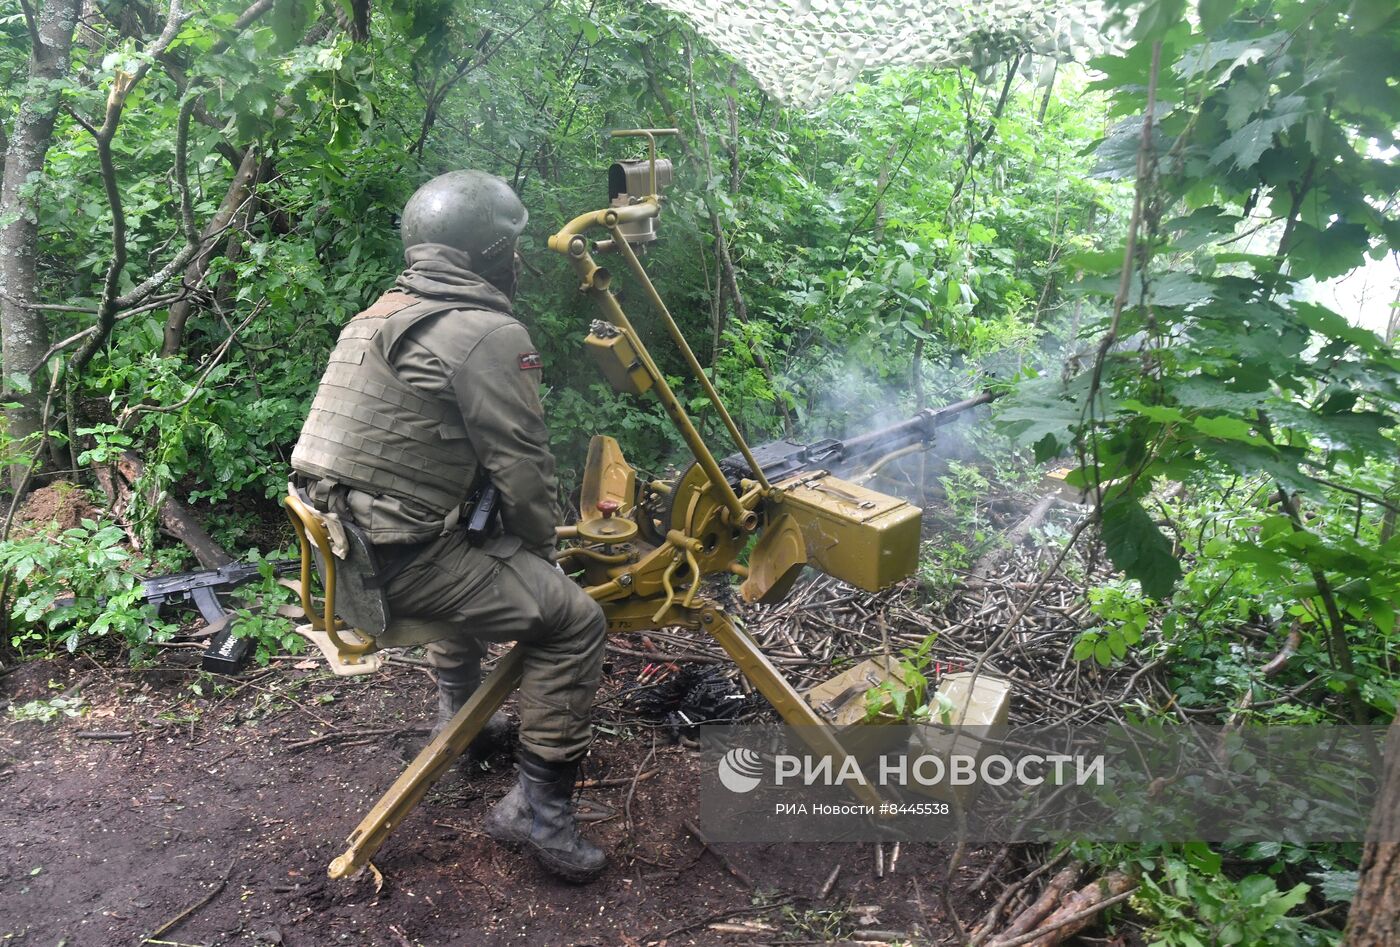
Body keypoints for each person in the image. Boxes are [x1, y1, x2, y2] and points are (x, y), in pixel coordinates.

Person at [289, 170, 608, 883]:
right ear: (489, 253)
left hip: (347, 560)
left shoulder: (377, 314)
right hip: (397, 567)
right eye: (513, 246)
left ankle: (458, 721)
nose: (520, 259)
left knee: (473, 544)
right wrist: (545, 556)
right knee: (576, 620)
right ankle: (538, 810)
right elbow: (524, 470)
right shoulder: (484, 330)